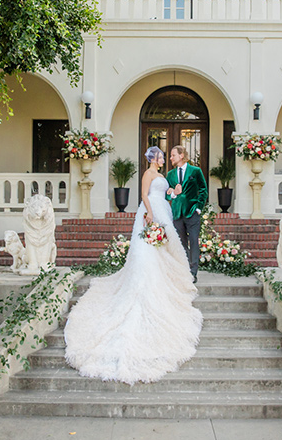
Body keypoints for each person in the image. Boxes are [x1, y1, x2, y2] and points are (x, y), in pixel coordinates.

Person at [63, 146, 202, 385]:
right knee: (146, 252)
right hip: (149, 212)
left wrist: (174, 190)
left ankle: (164, 279)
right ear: (153, 158)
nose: (164, 158)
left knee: (162, 250)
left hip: (163, 210)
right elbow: (145, 195)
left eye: (166, 156)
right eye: (161, 155)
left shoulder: (162, 175)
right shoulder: (149, 173)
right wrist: (149, 214)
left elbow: (166, 192)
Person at [166, 145, 208, 283]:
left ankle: (193, 272)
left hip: (192, 212)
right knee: (181, 243)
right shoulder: (170, 175)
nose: (171, 158)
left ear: (181, 155)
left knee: (194, 241)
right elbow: (166, 195)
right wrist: (173, 194)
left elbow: (203, 189)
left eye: (173, 155)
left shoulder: (195, 171)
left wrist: (198, 208)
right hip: (177, 213)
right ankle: (184, 269)